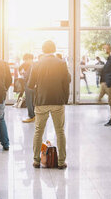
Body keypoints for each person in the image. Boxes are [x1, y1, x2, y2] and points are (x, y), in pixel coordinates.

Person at [28, 40, 70, 169]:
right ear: (54, 49)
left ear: (43, 50)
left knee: (38, 131)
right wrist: (65, 99)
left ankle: (36, 160)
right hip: (58, 101)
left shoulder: (36, 64)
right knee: (60, 131)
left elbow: (30, 84)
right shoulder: (62, 63)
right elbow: (67, 81)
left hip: (41, 101)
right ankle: (61, 162)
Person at [19, 53, 35, 123]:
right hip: (34, 85)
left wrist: (23, 74)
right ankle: (33, 115)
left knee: (29, 101)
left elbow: (27, 76)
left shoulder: (31, 66)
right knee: (32, 100)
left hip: (29, 85)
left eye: (25, 59)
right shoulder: (34, 64)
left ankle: (31, 115)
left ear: (29, 59)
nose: (25, 61)